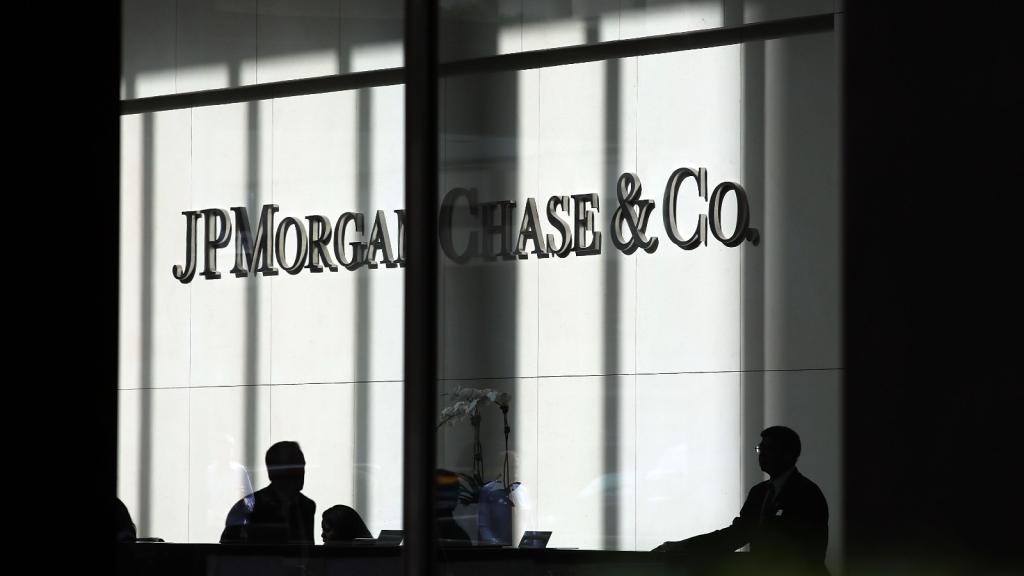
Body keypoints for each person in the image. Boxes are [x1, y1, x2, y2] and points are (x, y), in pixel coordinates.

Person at [654, 426, 829, 574]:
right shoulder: (759, 492)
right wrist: (684, 546)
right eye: (760, 449)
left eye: (769, 449)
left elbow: (801, 551)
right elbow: (738, 533)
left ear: (789, 454)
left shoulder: (807, 494)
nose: (761, 455)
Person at [220, 441, 316, 545]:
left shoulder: (306, 506)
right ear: (274, 472)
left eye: (301, 466)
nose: (301, 472)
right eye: (295, 467)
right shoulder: (247, 507)